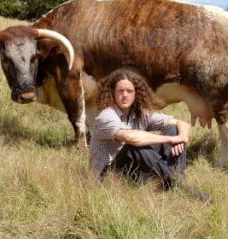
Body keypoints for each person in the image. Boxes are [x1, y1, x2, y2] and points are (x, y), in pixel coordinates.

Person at [89, 68, 208, 201]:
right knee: (135, 146)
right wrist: (171, 139)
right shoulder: (106, 116)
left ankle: (176, 178)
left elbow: (182, 123)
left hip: (133, 171)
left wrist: (182, 138)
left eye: (129, 91)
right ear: (112, 93)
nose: (125, 95)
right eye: (120, 91)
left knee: (173, 128)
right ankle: (178, 186)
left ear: (136, 93)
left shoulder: (140, 114)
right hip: (108, 177)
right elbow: (130, 137)